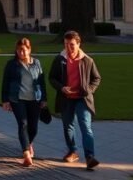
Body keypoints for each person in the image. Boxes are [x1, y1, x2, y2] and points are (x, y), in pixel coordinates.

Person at [49, 30, 101, 171]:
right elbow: (52, 78)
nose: (68, 48)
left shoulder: (87, 60)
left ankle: (90, 157)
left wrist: (88, 90)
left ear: (78, 44)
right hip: (66, 98)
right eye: (66, 44)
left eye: (71, 45)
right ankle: (73, 151)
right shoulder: (60, 59)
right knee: (68, 126)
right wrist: (61, 88)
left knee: (86, 127)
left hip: (82, 99)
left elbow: (96, 78)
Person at [1, 37, 47, 167]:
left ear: (29, 49)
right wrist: (5, 100)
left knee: (33, 127)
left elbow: (41, 82)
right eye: (19, 50)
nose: (21, 53)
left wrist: (44, 99)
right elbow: (5, 83)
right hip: (17, 99)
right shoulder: (12, 65)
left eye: (23, 50)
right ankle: (26, 152)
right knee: (23, 124)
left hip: (34, 99)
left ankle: (28, 143)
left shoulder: (36, 63)